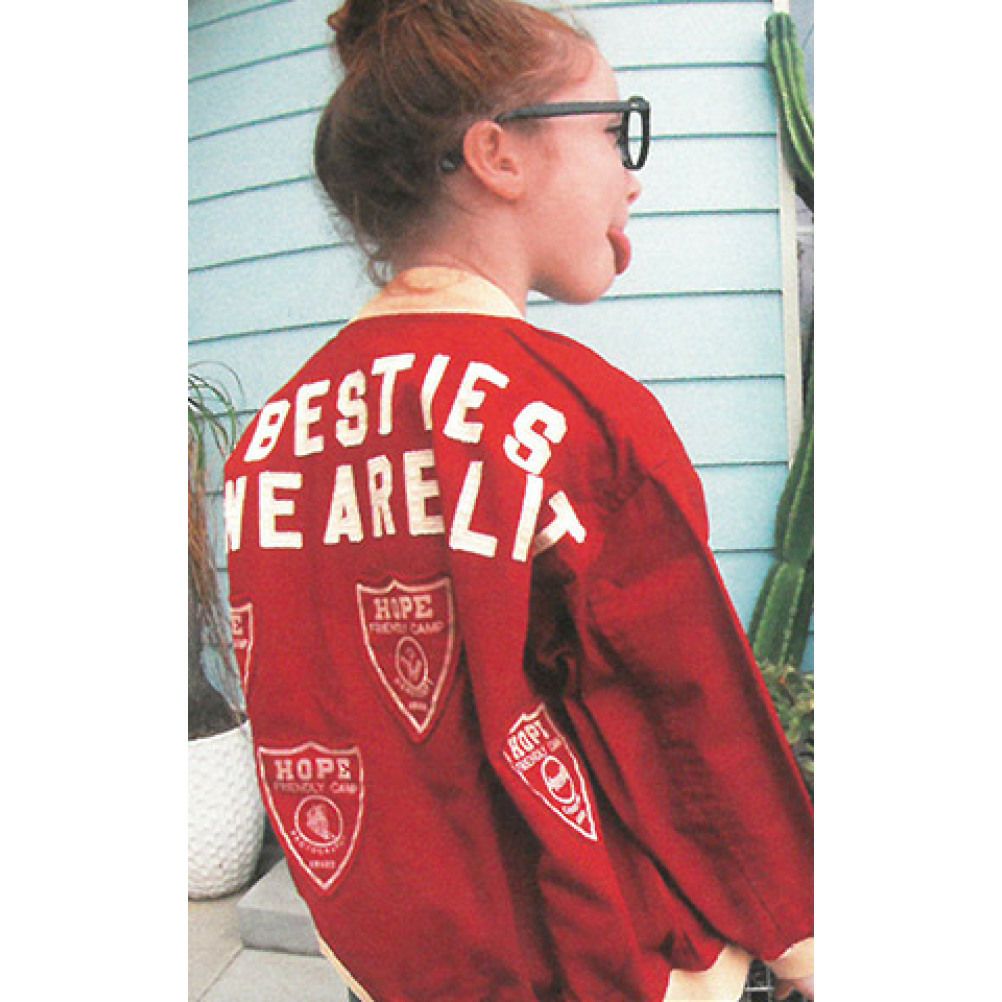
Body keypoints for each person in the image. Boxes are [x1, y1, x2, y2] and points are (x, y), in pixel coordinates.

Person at [223, 0, 814, 999]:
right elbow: (688, 725)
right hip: (589, 967)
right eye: (614, 130)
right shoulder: (577, 416)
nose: (632, 175)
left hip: (391, 968)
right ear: (498, 155)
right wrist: (804, 935)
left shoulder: (269, 440)